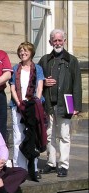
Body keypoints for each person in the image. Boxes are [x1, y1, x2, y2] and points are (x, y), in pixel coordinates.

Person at [38, 29, 82, 177]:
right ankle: (51, 163)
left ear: (64, 41)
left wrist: (77, 106)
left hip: (67, 102)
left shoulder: (72, 60)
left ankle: (63, 165)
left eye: (59, 40)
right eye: (54, 40)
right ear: (50, 42)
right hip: (49, 104)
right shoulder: (44, 60)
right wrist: (44, 82)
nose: (57, 43)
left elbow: (77, 84)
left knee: (64, 135)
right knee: (50, 135)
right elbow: (36, 79)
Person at [9, 41, 46, 182]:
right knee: (18, 136)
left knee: (33, 137)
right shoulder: (15, 68)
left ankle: (34, 167)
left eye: (26, 51)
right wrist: (19, 104)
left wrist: (33, 102)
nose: (23, 53)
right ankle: (20, 169)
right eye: (21, 51)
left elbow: (39, 87)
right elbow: (12, 88)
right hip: (18, 106)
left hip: (33, 107)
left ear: (31, 53)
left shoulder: (38, 68)